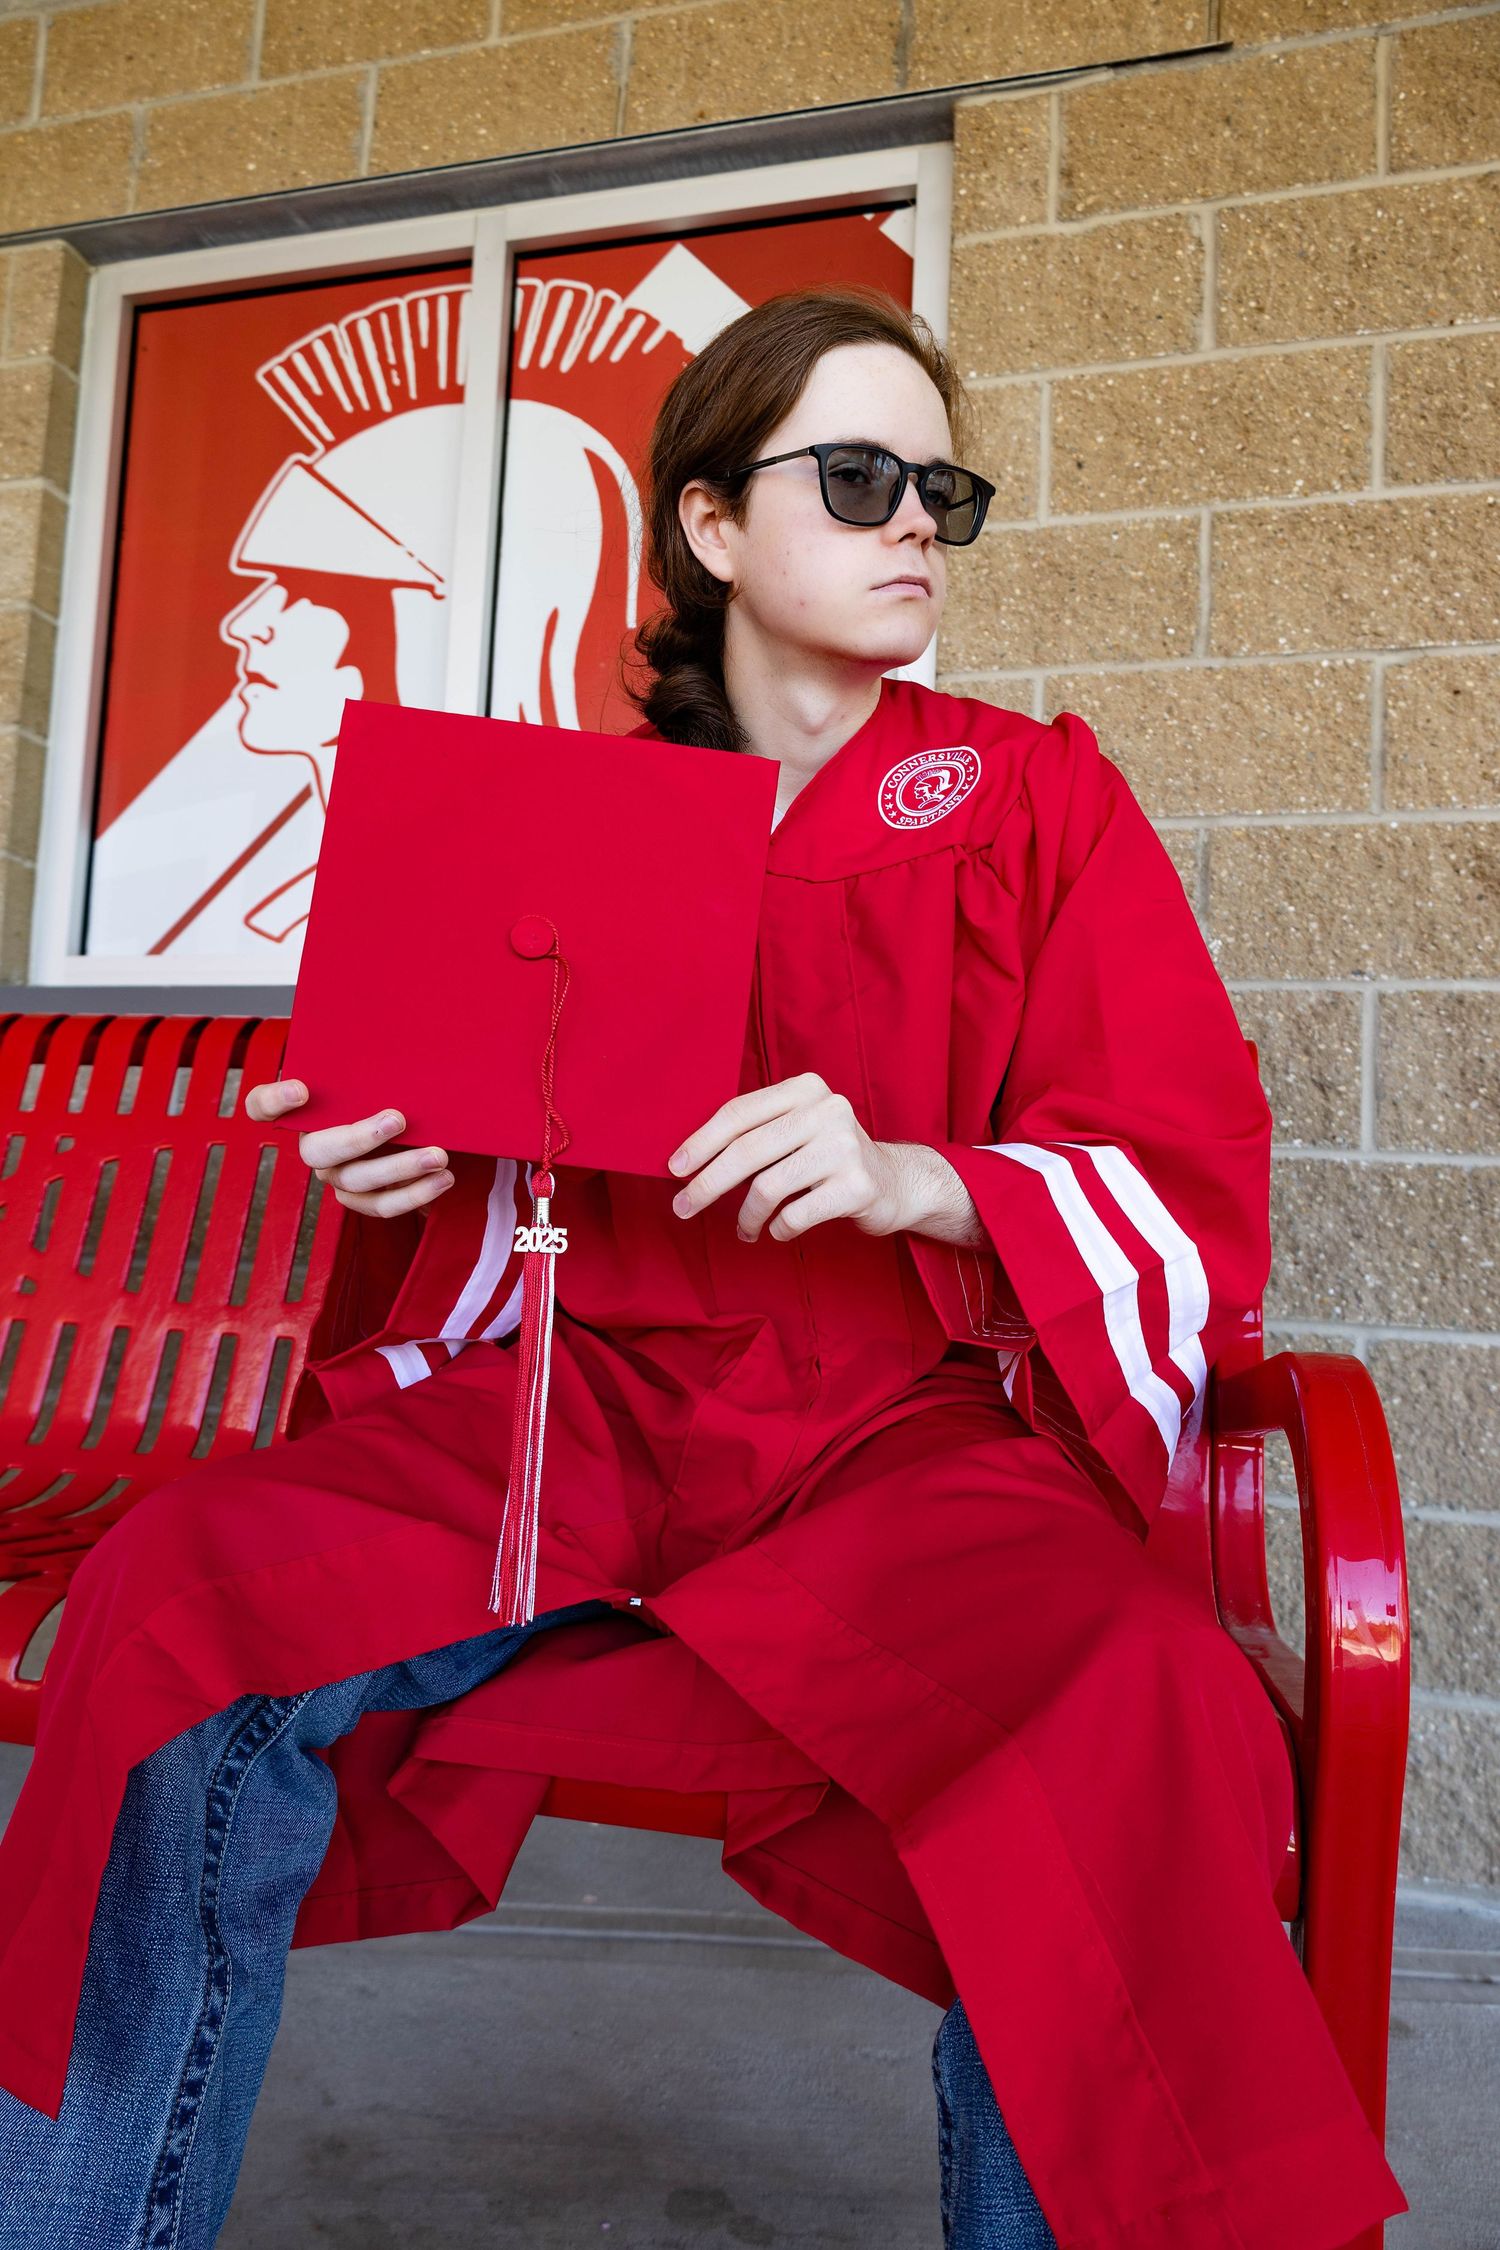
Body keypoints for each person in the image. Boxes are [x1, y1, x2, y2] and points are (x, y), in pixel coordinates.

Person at [0, 286, 1406, 2250]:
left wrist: (922, 1179)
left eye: (943, 486)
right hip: (561, 1417)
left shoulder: (1032, 801)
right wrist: (391, 1157)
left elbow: (1178, 1157)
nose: (916, 519)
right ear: (712, 526)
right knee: (171, 1603)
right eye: (857, 477)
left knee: (1143, 1701)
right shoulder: (550, 815)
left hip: (888, 1443)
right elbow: (460, 1176)